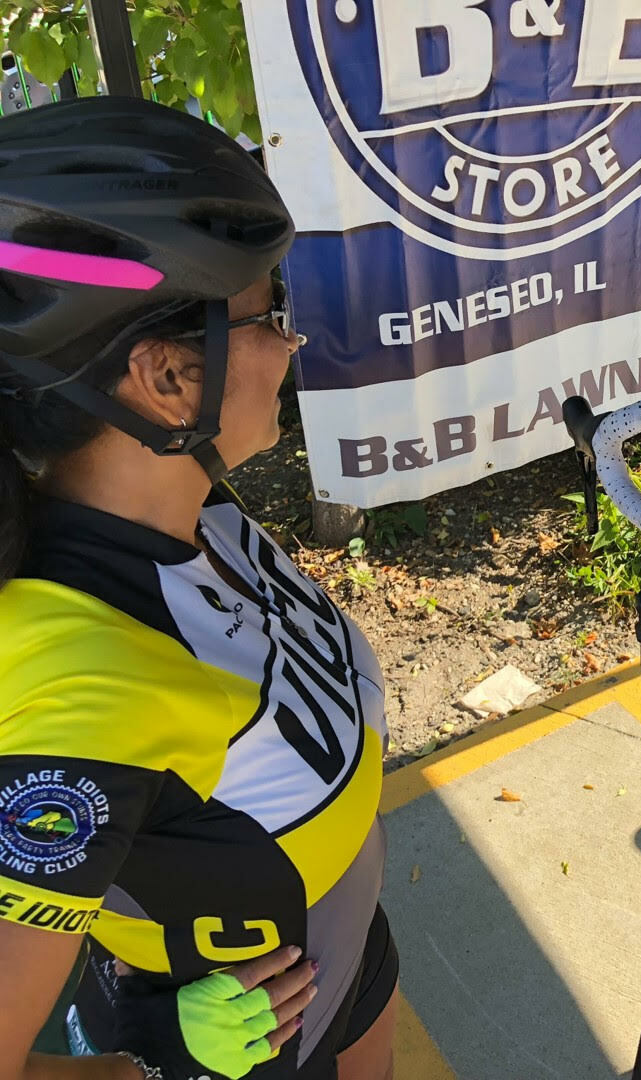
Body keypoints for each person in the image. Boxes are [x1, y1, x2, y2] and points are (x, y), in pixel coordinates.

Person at [0, 98, 396, 1080]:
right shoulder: (82, 681)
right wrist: (153, 1061)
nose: (292, 345)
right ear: (169, 379)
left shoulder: (189, 507)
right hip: (245, 1041)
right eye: (273, 316)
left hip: (338, 945)